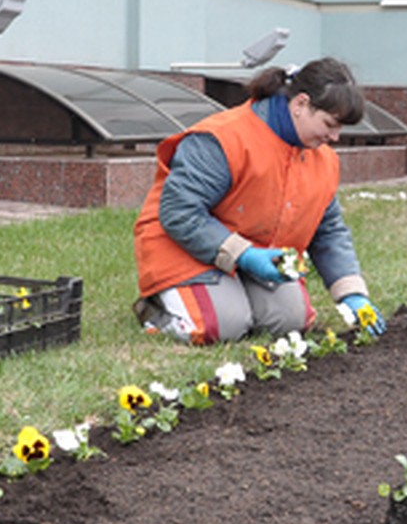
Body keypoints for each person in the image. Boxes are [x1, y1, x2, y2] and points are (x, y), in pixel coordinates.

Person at [132, 56, 386, 345]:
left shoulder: (322, 159)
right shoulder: (224, 138)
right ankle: (155, 308)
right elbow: (179, 212)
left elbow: (327, 230)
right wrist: (244, 255)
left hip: (254, 255)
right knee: (220, 327)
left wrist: (352, 293)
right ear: (300, 104)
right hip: (182, 247)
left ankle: (232, 293)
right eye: (330, 124)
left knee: (289, 324)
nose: (335, 137)